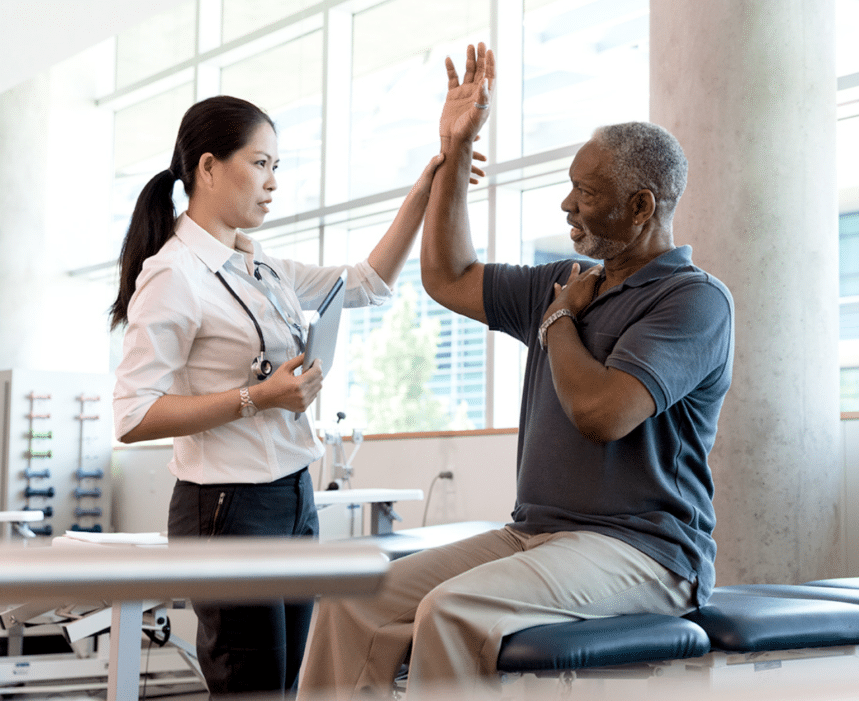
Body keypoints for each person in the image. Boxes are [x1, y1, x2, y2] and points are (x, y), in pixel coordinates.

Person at [298, 43, 734, 700]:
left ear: (641, 207)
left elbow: (604, 413)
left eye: (585, 193)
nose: (566, 205)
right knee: (352, 599)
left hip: (644, 553)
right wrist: (455, 147)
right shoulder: (566, 281)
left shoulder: (693, 299)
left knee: (451, 609)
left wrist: (559, 322)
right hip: (532, 535)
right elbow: (448, 276)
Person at [110, 95, 481, 698]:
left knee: (292, 684)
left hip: (291, 495)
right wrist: (257, 397)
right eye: (260, 164)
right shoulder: (174, 276)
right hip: (226, 508)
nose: (273, 184)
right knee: (250, 687)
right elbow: (132, 416)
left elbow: (365, 283)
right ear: (207, 167)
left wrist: (430, 182)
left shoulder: (260, 266)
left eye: (276, 167)